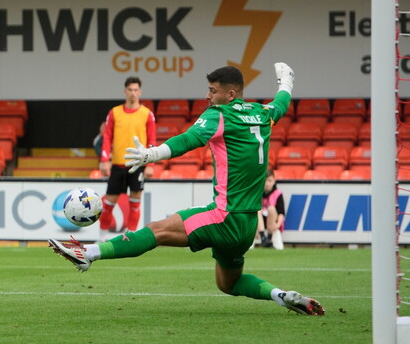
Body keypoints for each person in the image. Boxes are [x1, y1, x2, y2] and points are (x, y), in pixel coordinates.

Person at [49, 63, 325, 316]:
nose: (208, 96)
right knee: (229, 283)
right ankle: (281, 295)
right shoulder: (262, 114)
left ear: (230, 94)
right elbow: (281, 103)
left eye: (213, 91)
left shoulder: (219, 114)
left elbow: (189, 139)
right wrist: (286, 81)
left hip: (224, 216)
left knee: (156, 230)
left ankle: (89, 254)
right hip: (248, 224)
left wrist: (152, 154)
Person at [97, 76, 156, 239]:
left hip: (138, 164)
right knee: (109, 203)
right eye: (130, 90)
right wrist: (104, 160)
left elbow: (152, 140)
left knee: (135, 202)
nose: (133, 93)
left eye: (136, 90)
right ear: (125, 91)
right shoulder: (114, 112)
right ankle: (102, 237)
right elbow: (107, 137)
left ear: (140, 92)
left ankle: (130, 237)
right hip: (117, 164)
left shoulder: (147, 114)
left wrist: (151, 164)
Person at [256, 170, 285, 250]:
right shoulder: (257, 193)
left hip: (272, 222)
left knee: (271, 208)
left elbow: (281, 212)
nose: (267, 183)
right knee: (257, 210)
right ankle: (263, 237)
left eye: (270, 180)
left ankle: (269, 237)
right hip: (259, 222)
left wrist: (278, 224)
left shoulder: (278, 194)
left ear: (274, 181)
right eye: (265, 181)